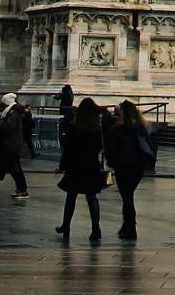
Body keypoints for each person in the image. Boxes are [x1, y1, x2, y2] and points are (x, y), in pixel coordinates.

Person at [54, 97, 107, 241]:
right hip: (91, 165)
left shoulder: (74, 127)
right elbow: (100, 147)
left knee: (71, 196)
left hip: (76, 166)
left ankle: (66, 226)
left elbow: (68, 149)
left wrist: (62, 166)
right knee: (91, 197)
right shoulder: (97, 129)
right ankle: (96, 228)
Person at [103, 100, 153, 240]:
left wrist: (113, 162)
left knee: (127, 197)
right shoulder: (141, 127)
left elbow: (110, 148)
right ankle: (127, 226)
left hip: (123, 166)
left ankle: (131, 229)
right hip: (138, 167)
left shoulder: (116, 128)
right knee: (128, 197)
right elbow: (147, 144)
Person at [0, 93, 31, 201]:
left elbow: (9, 127)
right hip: (8, 146)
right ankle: (20, 188)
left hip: (11, 146)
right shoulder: (10, 112)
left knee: (9, 168)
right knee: (6, 167)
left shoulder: (13, 113)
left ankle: (22, 189)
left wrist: (1, 120)